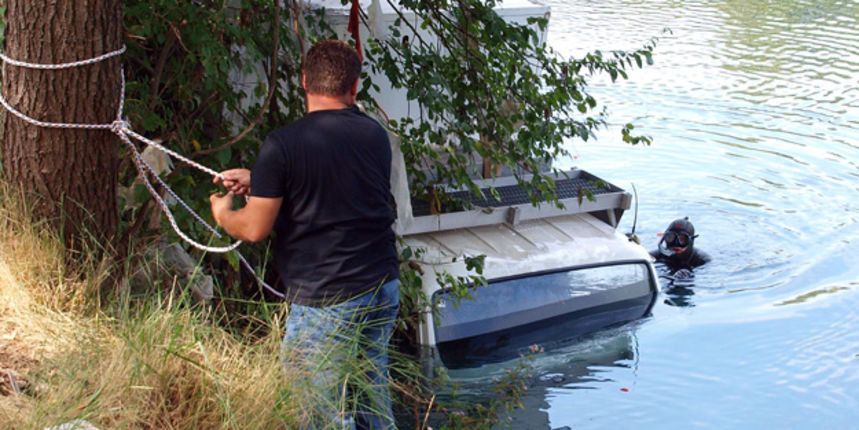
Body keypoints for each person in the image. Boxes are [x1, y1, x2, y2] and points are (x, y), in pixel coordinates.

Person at [209, 39, 399, 429]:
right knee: (371, 403)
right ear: (355, 88)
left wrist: (224, 214)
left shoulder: (283, 144)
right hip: (382, 286)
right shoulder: (375, 136)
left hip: (328, 297)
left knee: (317, 413)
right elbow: (335, 187)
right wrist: (263, 182)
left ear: (303, 81)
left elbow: (255, 228)